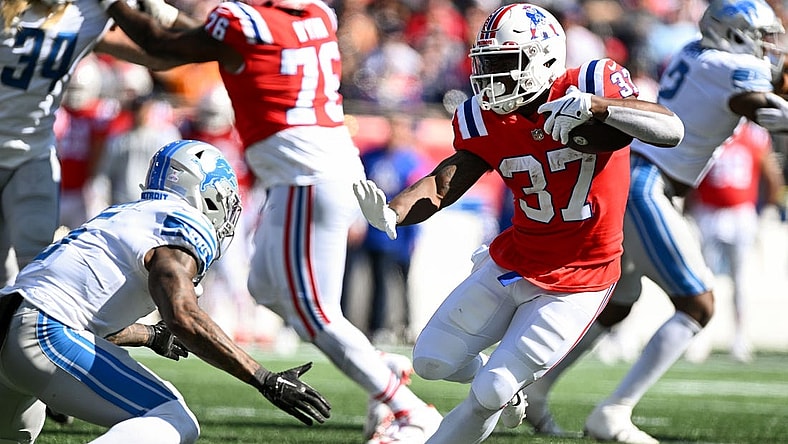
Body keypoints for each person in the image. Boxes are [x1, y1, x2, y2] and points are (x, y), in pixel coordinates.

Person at [99, 1, 442, 442]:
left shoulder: (244, 21)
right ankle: (379, 364)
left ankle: (408, 408)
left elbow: (163, 49)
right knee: (264, 285)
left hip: (305, 176)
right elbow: (208, 42)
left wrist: (109, 12)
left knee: (313, 313)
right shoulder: (316, 14)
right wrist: (159, 14)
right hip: (317, 170)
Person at [353, 3, 684, 444]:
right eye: (486, 64)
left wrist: (596, 107)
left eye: (503, 64)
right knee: (432, 361)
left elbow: (670, 129)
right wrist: (393, 211)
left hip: (580, 277)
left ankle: (488, 399)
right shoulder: (483, 116)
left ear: (544, 57)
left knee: (488, 389)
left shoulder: (588, 83)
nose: (490, 77)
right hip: (514, 259)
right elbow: (445, 180)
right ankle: (506, 392)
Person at [520, 0, 788, 442]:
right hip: (648, 186)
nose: (767, 47)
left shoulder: (693, 51)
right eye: (760, 37)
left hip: (636, 180)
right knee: (698, 305)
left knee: (619, 303)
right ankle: (614, 412)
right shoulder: (732, 69)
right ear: (733, 33)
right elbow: (764, 107)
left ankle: (539, 388)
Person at [0, 139, 331, 443]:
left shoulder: (122, 215)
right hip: (41, 331)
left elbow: (82, 315)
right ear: (204, 192)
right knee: (174, 417)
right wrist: (263, 378)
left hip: (10, 320)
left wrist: (148, 335)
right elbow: (183, 316)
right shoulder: (181, 223)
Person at [0, 0, 200, 424]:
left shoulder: (87, 13)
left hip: (32, 157)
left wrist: (156, 10)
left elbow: (172, 51)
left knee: (39, 271)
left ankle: (50, 373)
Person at [686, 121, 785, 363]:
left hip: (740, 212)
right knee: (703, 279)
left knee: (740, 280)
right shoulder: (710, 125)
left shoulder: (755, 133)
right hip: (708, 212)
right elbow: (692, 170)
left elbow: (771, 174)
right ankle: (701, 337)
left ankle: (741, 338)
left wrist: (768, 208)